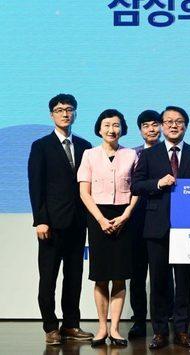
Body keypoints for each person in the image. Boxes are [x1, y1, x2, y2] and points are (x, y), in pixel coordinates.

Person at [131, 106, 190, 349]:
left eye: (179, 121)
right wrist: (158, 183)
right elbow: (136, 185)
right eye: (169, 122)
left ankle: (182, 330)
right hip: (157, 226)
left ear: (186, 126)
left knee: (184, 282)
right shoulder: (149, 154)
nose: (174, 125)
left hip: (186, 228)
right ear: (162, 126)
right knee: (158, 281)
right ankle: (160, 331)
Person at [28, 93, 94, 345]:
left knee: (74, 277)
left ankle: (71, 325)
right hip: (51, 224)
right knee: (48, 278)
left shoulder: (86, 146)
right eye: (59, 110)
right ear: (51, 115)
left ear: (75, 113)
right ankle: (50, 327)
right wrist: (40, 220)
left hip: (78, 222)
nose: (65, 113)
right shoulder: (41, 146)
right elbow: (36, 185)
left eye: (69, 109)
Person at [77, 109, 139, 347]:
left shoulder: (131, 154)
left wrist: (126, 214)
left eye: (116, 125)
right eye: (107, 125)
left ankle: (115, 328)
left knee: (120, 276)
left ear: (122, 128)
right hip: (97, 217)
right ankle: (102, 328)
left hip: (124, 216)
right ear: (99, 129)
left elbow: (137, 189)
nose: (112, 130)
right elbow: (84, 192)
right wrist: (101, 220)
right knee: (101, 276)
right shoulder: (89, 154)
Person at [128, 110, 174, 339]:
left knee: (163, 274)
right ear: (140, 130)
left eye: (155, 124)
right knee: (138, 274)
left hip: (163, 221)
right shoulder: (131, 154)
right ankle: (138, 321)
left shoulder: (171, 154)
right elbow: (133, 186)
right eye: (146, 126)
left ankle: (166, 321)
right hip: (136, 220)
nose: (151, 129)